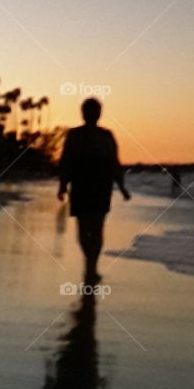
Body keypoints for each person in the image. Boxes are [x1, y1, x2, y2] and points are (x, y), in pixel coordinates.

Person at [57, 97, 130, 280]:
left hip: (101, 186)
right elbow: (66, 160)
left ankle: (91, 267)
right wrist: (62, 185)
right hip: (81, 186)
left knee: (96, 228)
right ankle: (90, 264)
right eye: (89, 111)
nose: (92, 114)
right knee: (84, 230)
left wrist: (122, 187)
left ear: (99, 114)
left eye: (95, 111)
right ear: (83, 113)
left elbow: (114, 163)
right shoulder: (74, 135)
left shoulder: (106, 135)